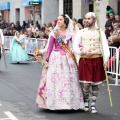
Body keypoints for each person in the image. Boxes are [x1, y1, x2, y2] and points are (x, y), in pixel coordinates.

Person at [36, 14, 84, 110]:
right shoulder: (54, 33)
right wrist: (46, 59)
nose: (58, 21)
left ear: (65, 22)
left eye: (60, 19)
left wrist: (81, 50)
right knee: (56, 80)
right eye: (57, 19)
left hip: (67, 58)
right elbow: (49, 47)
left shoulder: (70, 32)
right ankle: (56, 103)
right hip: (56, 57)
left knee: (68, 80)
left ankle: (68, 103)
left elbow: (73, 46)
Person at [73, 12, 110, 113]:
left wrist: (106, 59)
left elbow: (105, 47)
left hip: (97, 59)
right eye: (85, 18)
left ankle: (93, 104)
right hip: (85, 60)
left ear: (93, 19)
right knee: (86, 84)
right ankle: (86, 101)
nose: (86, 20)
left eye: (89, 19)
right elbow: (75, 46)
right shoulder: (81, 32)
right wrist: (83, 51)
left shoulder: (100, 32)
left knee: (95, 84)